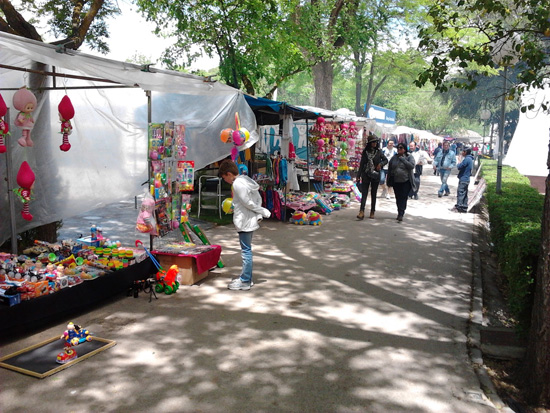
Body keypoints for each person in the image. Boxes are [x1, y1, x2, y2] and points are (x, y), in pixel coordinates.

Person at [218, 159, 271, 290]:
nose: (225, 180)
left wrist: (261, 211)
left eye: (225, 178)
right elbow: (255, 199)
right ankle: (246, 277)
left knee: (246, 251)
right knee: (246, 250)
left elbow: (247, 202)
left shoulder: (237, 184)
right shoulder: (246, 181)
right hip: (248, 220)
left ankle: (245, 280)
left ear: (229, 174)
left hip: (244, 221)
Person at [356, 133, 388, 220]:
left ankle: (372, 211)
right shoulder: (365, 152)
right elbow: (362, 164)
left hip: (375, 175)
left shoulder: (379, 152)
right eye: (372, 142)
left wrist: (380, 164)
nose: (374, 143)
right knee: (365, 193)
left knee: (373, 193)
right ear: (369, 143)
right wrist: (358, 175)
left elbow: (386, 160)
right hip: (366, 174)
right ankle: (361, 211)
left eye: (375, 142)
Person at [387, 143, 416, 222]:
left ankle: (401, 213)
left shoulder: (409, 157)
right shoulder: (394, 158)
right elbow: (390, 168)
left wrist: (403, 159)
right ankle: (399, 211)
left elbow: (411, 166)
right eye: (398, 148)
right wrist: (388, 180)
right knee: (398, 197)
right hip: (396, 181)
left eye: (401, 148)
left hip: (406, 181)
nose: (399, 149)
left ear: (404, 149)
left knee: (403, 197)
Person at [451, 147, 474, 213]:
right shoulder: (470, 159)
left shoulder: (467, 159)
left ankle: (459, 206)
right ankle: (464, 206)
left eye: (463, 151)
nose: (461, 153)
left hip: (464, 178)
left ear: (465, 152)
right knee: (464, 193)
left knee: (460, 192)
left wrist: (459, 160)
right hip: (466, 178)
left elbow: (459, 167)